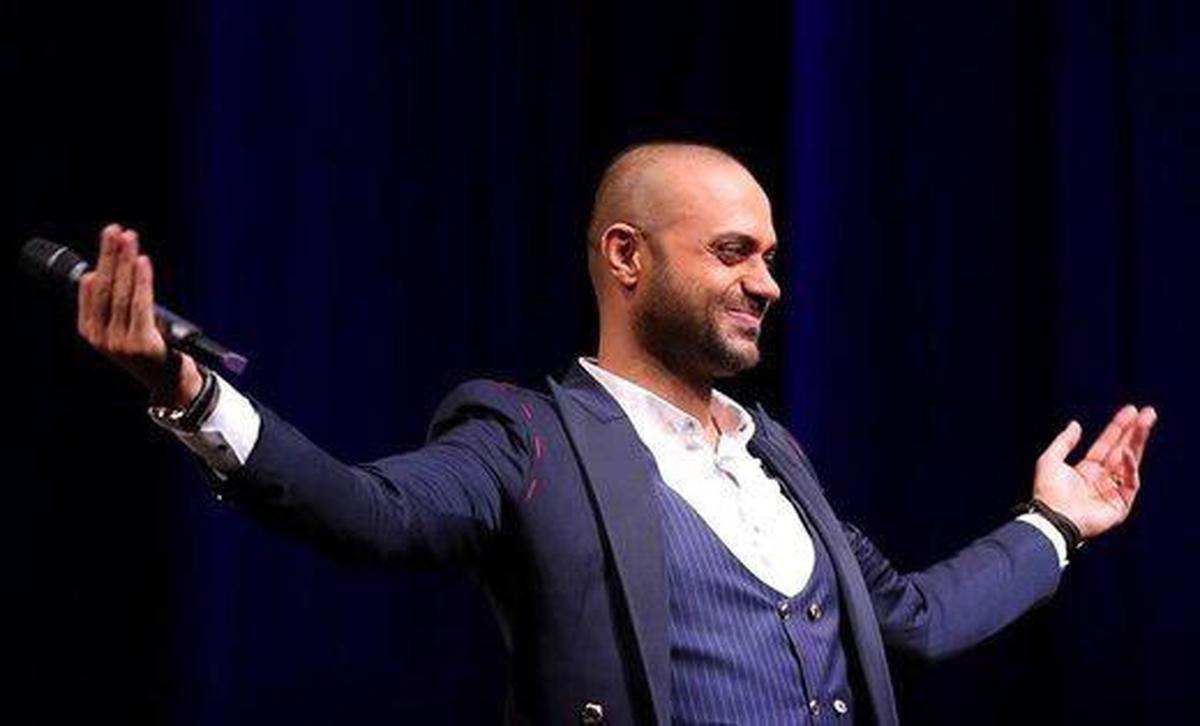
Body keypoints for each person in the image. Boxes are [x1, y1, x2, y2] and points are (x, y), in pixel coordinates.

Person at [76, 142, 1157, 725]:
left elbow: (910, 620)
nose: (768, 284)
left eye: (770, 257)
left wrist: (1054, 525)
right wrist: (190, 394)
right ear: (627, 256)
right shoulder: (528, 437)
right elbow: (371, 514)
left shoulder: (775, 455)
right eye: (733, 253)